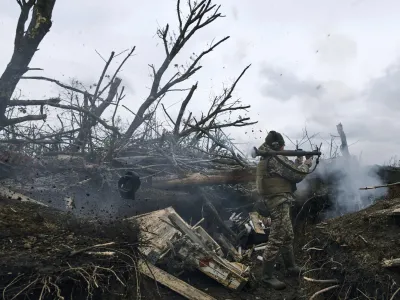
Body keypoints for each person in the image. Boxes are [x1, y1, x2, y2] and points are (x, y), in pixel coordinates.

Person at [255, 130, 313, 290]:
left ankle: (291, 267)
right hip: (278, 202)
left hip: (277, 200)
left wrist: (298, 160)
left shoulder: (269, 157)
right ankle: (267, 276)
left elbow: (287, 171)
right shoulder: (275, 158)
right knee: (277, 237)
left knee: (287, 234)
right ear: (278, 145)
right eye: (282, 146)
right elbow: (296, 175)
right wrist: (307, 164)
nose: (283, 148)